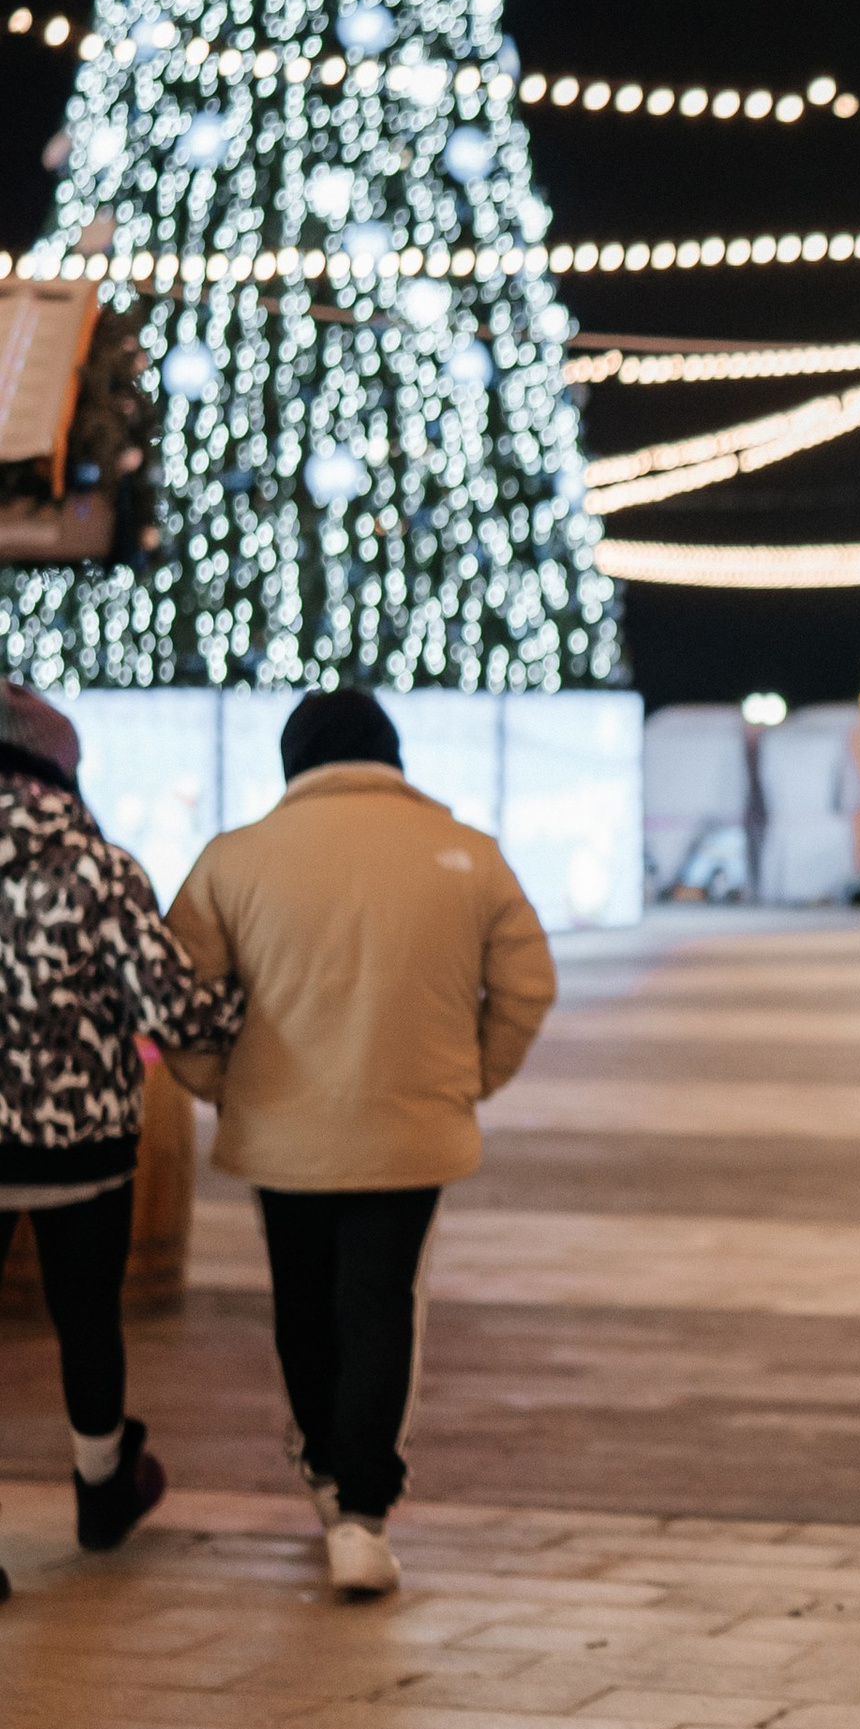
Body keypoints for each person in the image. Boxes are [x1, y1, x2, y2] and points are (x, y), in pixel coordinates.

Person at [164, 690, 556, 1599]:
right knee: (380, 1303)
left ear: (292, 762)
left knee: (302, 1301)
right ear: (393, 755)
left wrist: (224, 1088)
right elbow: (528, 985)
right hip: (411, 1127)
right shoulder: (470, 857)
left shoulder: (234, 859)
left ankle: (329, 1474)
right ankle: (363, 1519)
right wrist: (470, 1078)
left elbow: (179, 1001)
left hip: (280, 1129)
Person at [0, 684, 244, 1601]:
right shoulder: (101, 870)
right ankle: (102, 1492)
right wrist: (249, 1006)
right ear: (60, 767)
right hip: (81, 1149)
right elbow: (174, 1006)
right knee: (88, 1322)